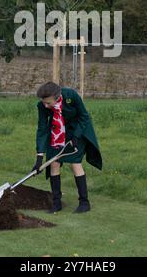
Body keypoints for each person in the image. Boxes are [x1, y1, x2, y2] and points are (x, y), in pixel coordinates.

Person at [32, 81, 102, 214]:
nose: (45, 105)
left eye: (48, 103)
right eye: (43, 102)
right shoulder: (42, 106)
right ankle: (56, 203)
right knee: (54, 163)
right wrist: (39, 157)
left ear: (57, 97)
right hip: (56, 132)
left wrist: (76, 137)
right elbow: (41, 129)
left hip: (77, 130)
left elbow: (84, 117)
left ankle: (84, 202)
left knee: (75, 163)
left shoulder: (71, 96)